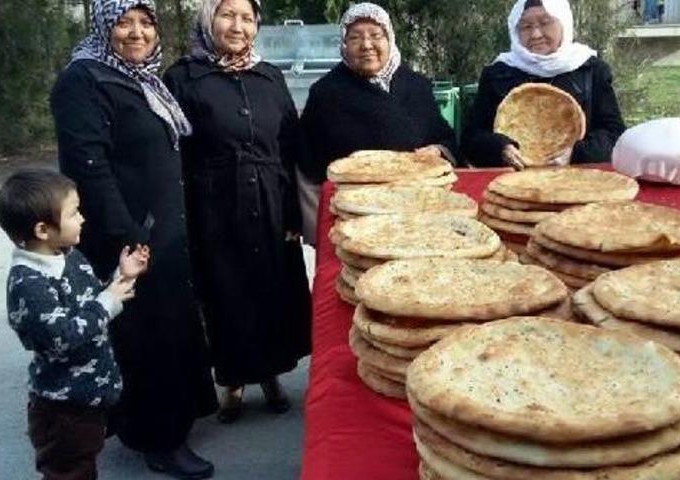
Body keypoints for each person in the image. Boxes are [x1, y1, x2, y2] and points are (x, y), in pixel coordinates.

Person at [49, 1, 218, 478]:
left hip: (161, 229)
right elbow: (89, 166)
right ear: (103, 26)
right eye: (124, 21)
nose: (137, 32)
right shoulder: (84, 79)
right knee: (148, 336)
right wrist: (129, 235)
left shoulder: (141, 78)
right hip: (129, 238)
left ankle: (170, 419)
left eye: (146, 22)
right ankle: (158, 439)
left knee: (171, 328)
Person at [163, 0, 311, 424]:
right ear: (209, 20)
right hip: (214, 204)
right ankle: (231, 382)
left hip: (269, 199)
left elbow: (288, 147)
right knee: (225, 293)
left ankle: (270, 375)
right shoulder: (183, 77)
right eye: (227, 14)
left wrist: (292, 215)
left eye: (247, 18)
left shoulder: (269, 76)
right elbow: (174, 152)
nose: (237, 25)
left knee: (270, 290)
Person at [0, 169, 149, 480]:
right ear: (43, 229)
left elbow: (89, 303)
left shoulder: (69, 255)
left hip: (89, 397)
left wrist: (121, 279)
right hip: (63, 408)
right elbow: (62, 336)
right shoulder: (29, 284)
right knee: (69, 471)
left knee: (84, 463)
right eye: (74, 212)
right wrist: (107, 300)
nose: (82, 218)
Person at [298, 2, 459, 243]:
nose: (366, 45)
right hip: (352, 223)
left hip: (418, 215)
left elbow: (444, 138)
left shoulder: (416, 86)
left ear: (390, 39)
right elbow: (307, 169)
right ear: (344, 44)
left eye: (376, 35)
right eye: (355, 38)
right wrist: (318, 233)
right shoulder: (325, 94)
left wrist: (438, 150)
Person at [461, 0, 626, 169]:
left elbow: (614, 134)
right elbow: (471, 138)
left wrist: (576, 154)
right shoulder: (498, 73)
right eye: (526, 26)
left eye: (545, 23)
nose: (535, 34)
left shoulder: (590, 70)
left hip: (577, 182)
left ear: (563, 22)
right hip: (515, 182)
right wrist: (500, 148)